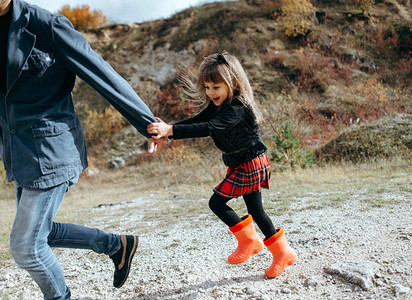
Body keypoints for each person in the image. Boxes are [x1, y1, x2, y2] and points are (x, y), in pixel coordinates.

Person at [0, 0, 163, 298]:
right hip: (18, 152)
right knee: (40, 231)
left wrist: (147, 122)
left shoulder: (46, 26)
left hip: (51, 149)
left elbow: (101, 73)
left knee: (26, 248)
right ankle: (116, 245)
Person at [148, 51, 297, 278]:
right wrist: (169, 130)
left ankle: (251, 242)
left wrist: (170, 130)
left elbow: (210, 128)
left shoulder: (237, 106)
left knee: (217, 203)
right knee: (256, 211)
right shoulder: (219, 104)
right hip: (243, 161)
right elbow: (200, 119)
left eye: (215, 87)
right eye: (207, 87)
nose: (210, 93)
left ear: (232, 83)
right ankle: (281, 252)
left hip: (251, 161)